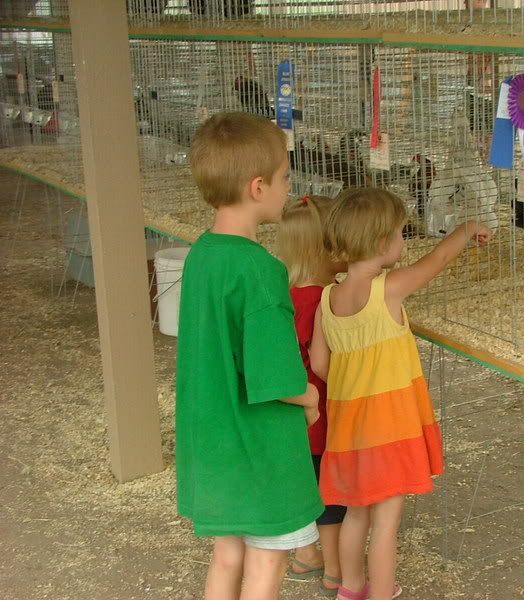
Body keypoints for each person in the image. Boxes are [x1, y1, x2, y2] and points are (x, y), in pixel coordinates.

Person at [310, 187, 492, 600]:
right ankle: (382, 593)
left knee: (356, 512)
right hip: (389, 429)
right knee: (386, 522)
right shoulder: (387, 289)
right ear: (381, 243)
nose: (403, 241)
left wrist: (355, 380)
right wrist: (467, 228)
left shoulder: (327, 298)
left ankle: (350, 589)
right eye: (399, 233)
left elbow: (319, 364)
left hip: (349, 429)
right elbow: (438, 259)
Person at [175, 112, 323, 600]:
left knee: (227, 556)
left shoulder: (201, 256)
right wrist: (309, 398)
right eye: (284, 178)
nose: (288, 188)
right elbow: (276, 378)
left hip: (214, 444)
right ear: (258, 187)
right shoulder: (260, 270)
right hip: (258, 449)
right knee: (266, 565)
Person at [277, 194, 347, 597]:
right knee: (331, 494)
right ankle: (336, 571)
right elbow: (323, 364)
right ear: (326, 248)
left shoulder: (285, 292)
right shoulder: (322, 299)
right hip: (321, 413)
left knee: (306, 483)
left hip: (293, 414)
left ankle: (306, 554)